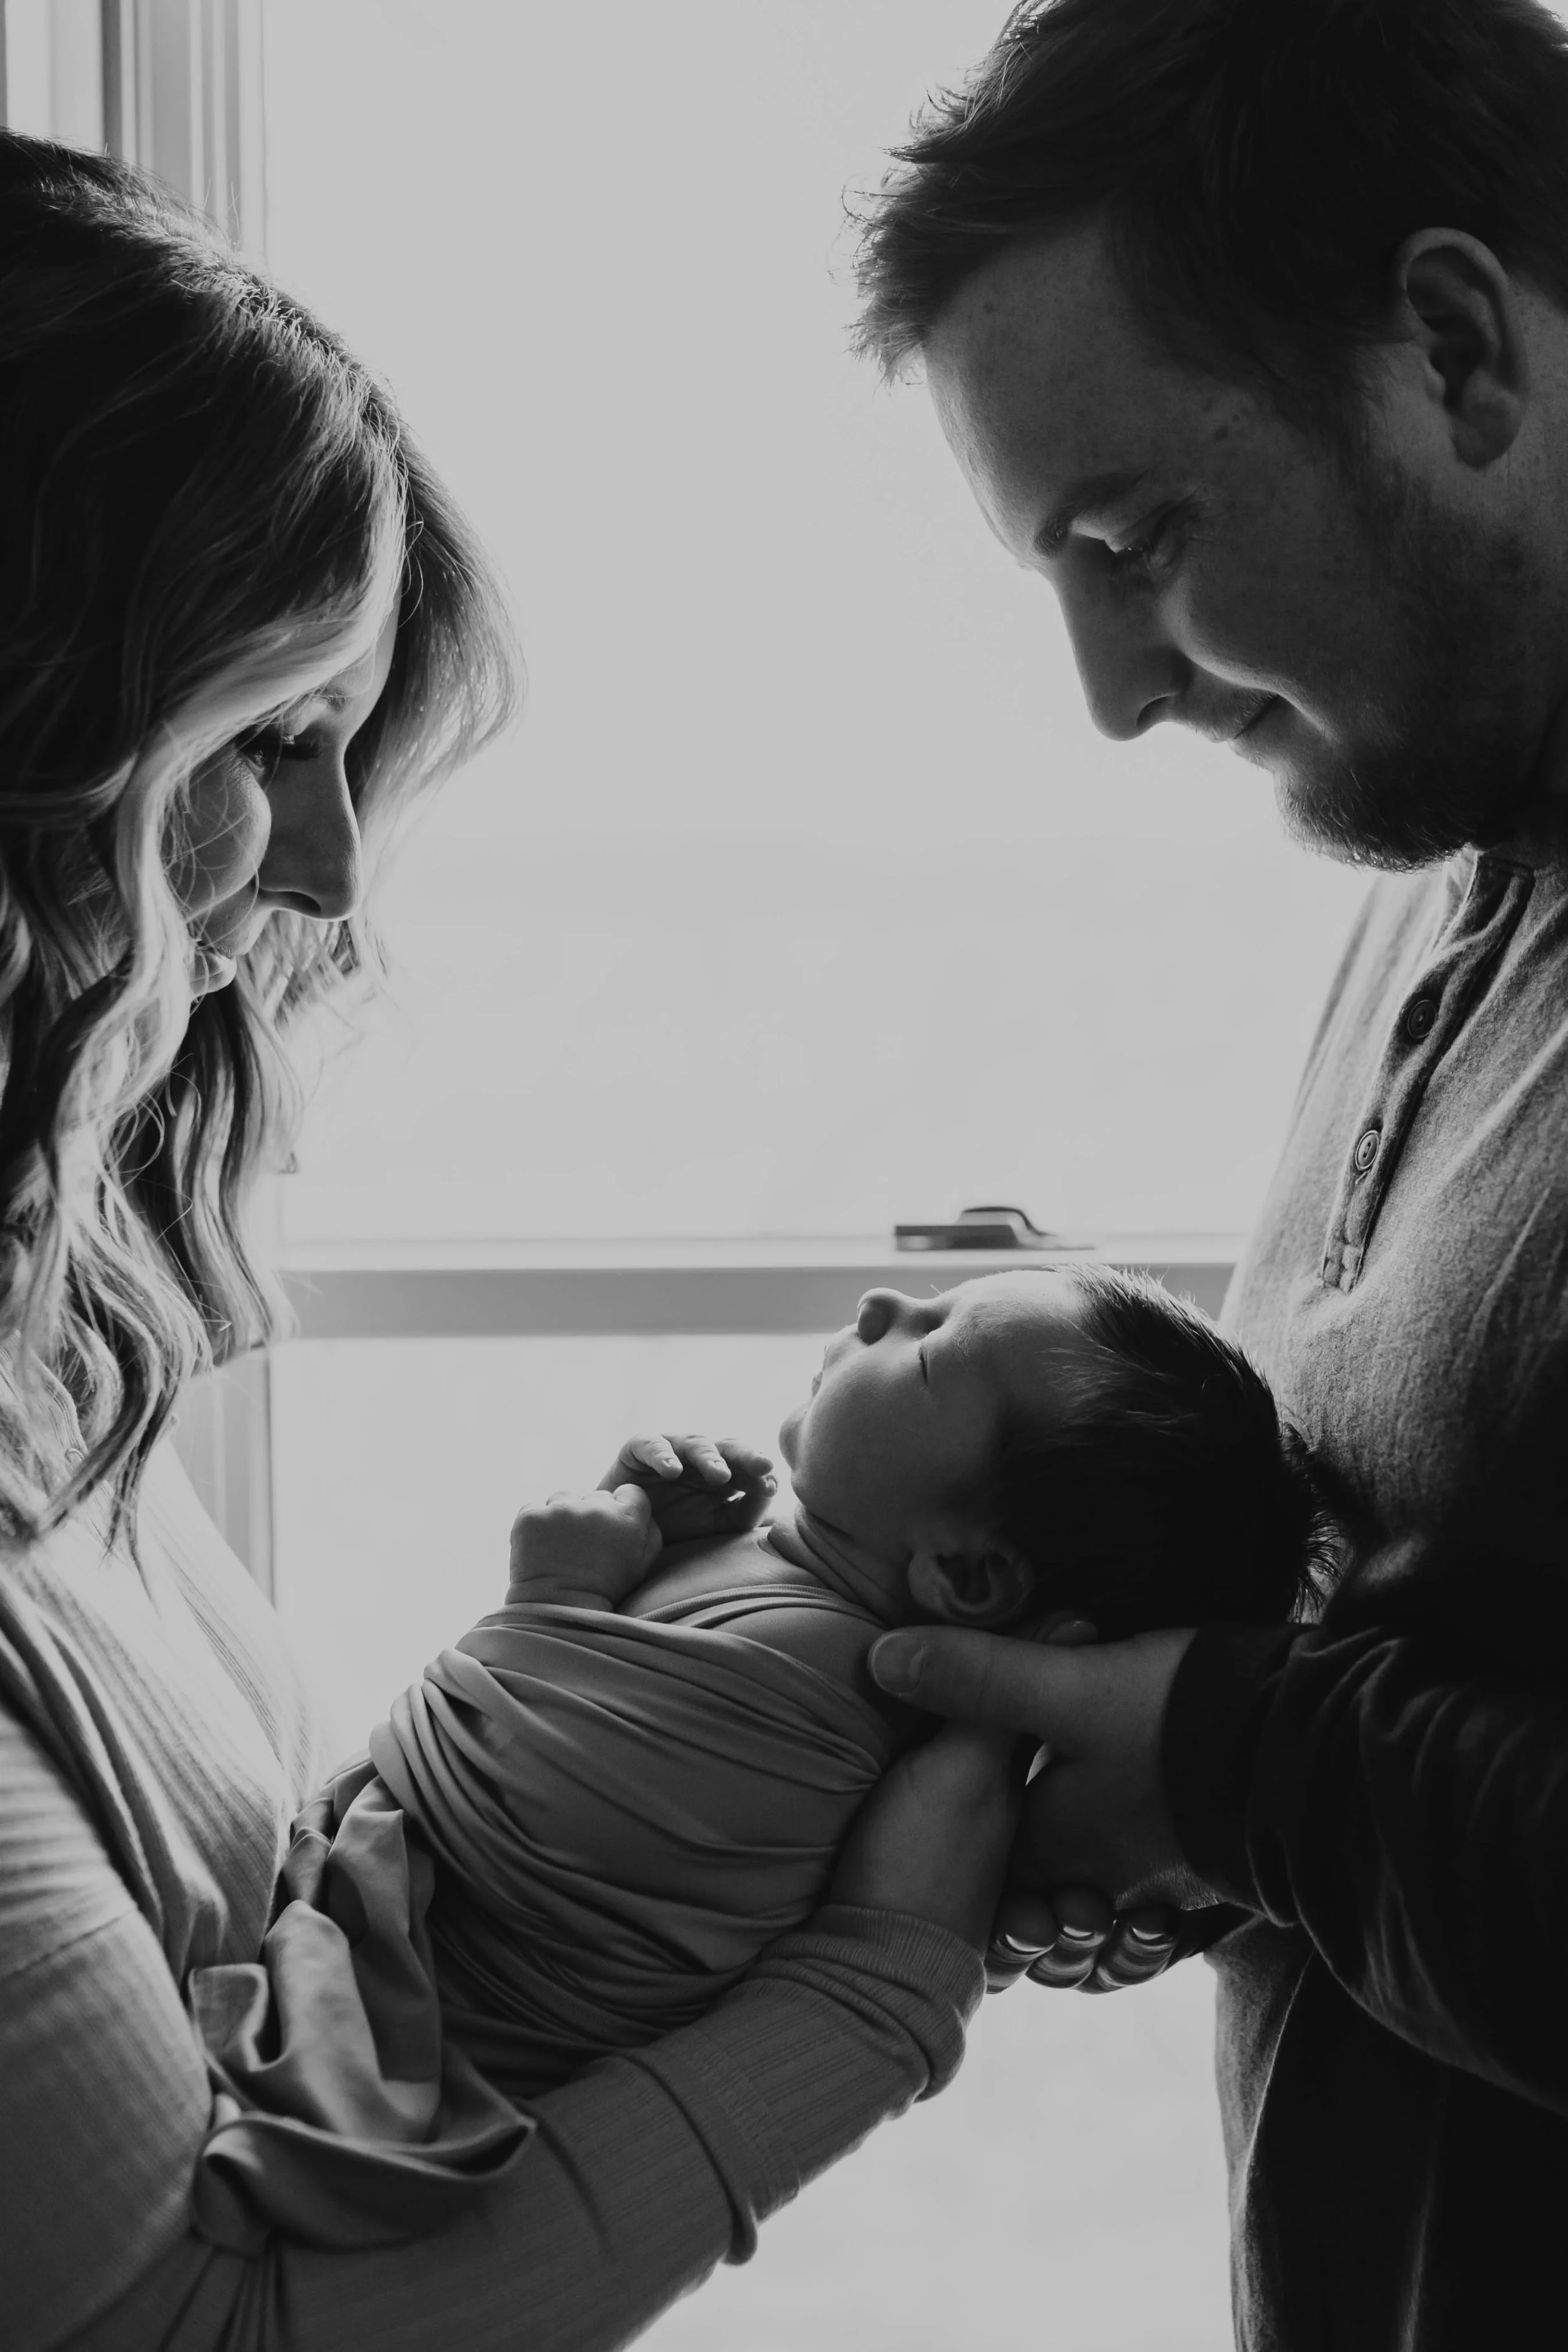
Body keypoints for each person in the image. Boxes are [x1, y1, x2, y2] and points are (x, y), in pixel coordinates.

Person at [0, 132, 1013, 2351]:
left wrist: (582, 1679)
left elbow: (245, 1975)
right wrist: (883, 1977)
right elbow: (191, 2332)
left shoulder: (57, 1337)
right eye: (277, 736)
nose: (333, 872)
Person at [850, 1, 1568, 2345]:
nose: (1110, 691)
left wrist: (1219, 1754)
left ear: (1455, 354)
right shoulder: (1433, 881)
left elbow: (1307, 1752)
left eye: (1136, 538)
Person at [257, 1266, 1315, 2105]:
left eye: (930, 1347)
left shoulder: (823, 1677)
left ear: (968, 1575)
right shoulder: (799, 1595)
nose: (882, 1303)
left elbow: (529, 1815)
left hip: (407, 2035)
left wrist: (554, 1594)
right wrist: (658, 1555)